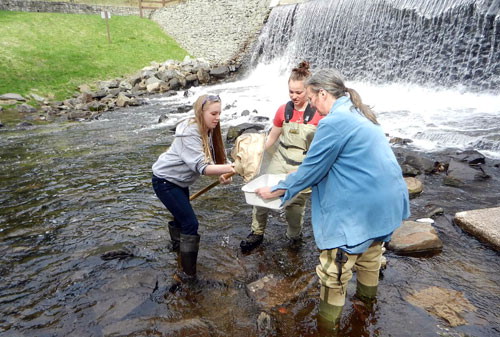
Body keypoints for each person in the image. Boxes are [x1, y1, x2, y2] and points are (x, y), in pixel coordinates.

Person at [255, 69, 410, 332]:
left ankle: (328, 327)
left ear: (322, 93)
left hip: (358, 211)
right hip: (388, 204)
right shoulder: (359, 112)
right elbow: (339, 161)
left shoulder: (333, 122)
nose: (312, 105)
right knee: (370, 259)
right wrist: (300, 173)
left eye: (312, 98)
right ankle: (366, 311)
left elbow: (312, 170)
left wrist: (278, 190)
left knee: (334, 274)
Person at [240, 61, 324, 252]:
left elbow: (321, 149)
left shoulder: (319, 114)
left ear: (309, 90)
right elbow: (271, 138)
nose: (294, 96)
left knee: (294, 207)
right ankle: (257, 232)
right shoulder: (283, 110)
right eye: (291, 92)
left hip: (303, 163)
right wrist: (253, 154)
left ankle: (294, 239)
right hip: (281, 158)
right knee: (260, 195)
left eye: (299, 92)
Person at [152, 94, 235, 283]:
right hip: (165, 181)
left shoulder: (209, 129)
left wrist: (225, 170)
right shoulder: (190, 132)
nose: (218, 117)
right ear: (201, 112)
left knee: (182, 218)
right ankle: (187, 275)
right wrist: (233, 168)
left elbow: (212, 158)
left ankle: (177, 252)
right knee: (191, 224)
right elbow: (202, 167)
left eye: (219, 113)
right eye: (213, 113)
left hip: (179, 182)